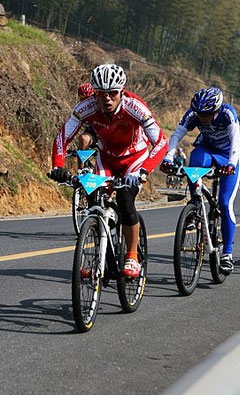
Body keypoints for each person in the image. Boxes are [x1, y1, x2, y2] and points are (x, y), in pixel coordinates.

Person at [49, 64, 168, 278]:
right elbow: (62, 137)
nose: (107, 99)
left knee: (124, 199)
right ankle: (101, 254)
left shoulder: (135, 107)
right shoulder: (86, 108)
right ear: (94, 93)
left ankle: (132, 256)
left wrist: (143, 172)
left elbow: (160, 142)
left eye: (112, 94)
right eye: (101, 94)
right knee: (95, 201)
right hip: (107, 158)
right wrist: (58, 166)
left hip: (135, 159)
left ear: (121, 92)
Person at [160, 87, 240, 274]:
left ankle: (227, 254)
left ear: (217, 109)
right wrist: (168, 158)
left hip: (228, 155)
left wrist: (230, 164)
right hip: (207, 149)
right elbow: (177, 135)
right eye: (200, 115)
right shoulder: (194, 113)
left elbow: (236, 141)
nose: (203, 118)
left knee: (225, 203)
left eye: (207, 114)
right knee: (194, 161)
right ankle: (195, 203)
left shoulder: (228, 113)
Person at [76, 82, 97, 152]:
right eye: (83, 99)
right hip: (91, 133)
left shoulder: (102, 105)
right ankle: (81, 162)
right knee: (83, 139)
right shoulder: (78, 110)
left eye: (89, 99)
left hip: (106, 133)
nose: (86, 103)